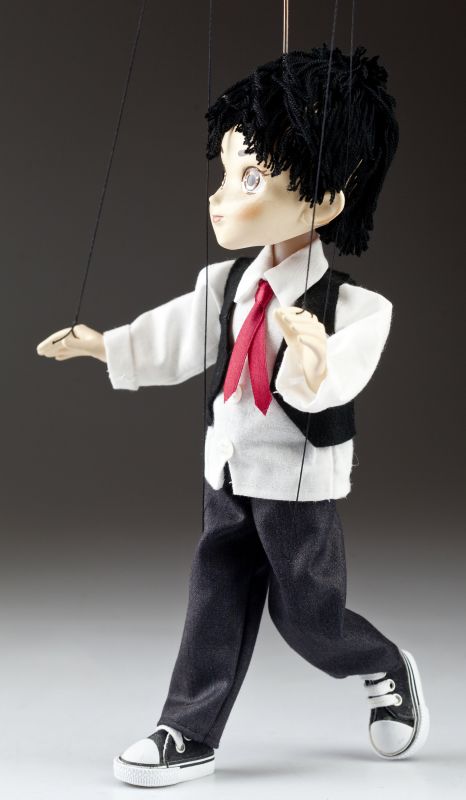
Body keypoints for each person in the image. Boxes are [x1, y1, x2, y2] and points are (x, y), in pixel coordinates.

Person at [37, 46, 430, 788]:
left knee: (308, 618)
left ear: (325, 200)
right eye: (224, 174)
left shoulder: (353, 306)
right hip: (228, 469)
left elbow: (339, 376)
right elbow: (174, 336)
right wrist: (104, 345)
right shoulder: (227, 284)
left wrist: (313, 358)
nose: (221, 198)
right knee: (213, 596)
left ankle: (383, 664)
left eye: (251, 179)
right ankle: (187, 731)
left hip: (295, 487)